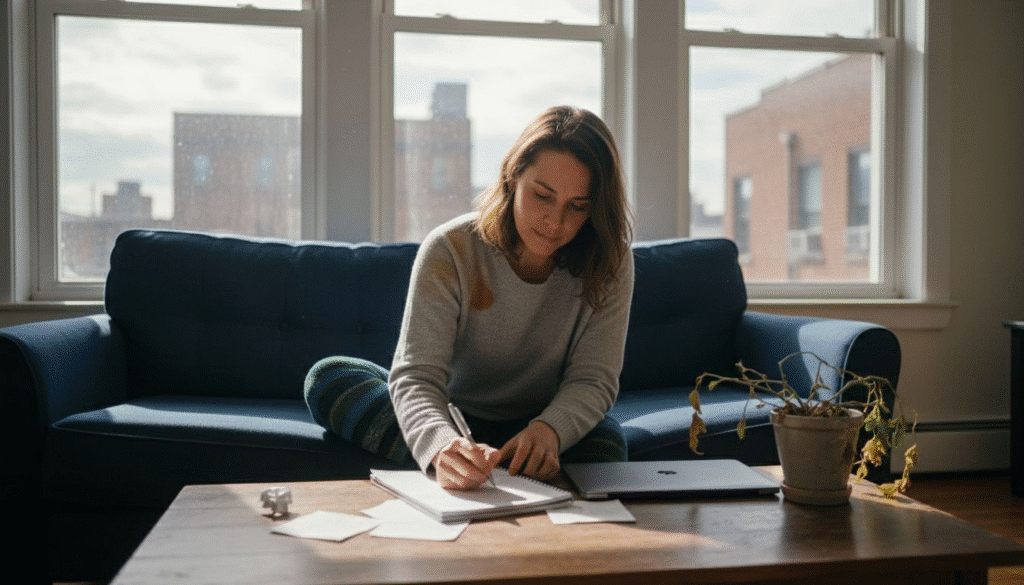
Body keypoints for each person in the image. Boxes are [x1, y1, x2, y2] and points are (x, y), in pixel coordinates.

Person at [304, 105, 634, 490]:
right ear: (513, 178)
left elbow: (594, 379)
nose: (556, 222)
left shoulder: (610, 260)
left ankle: (489, 472)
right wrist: (441, 445)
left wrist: (550, 432)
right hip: (452, 416)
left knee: (607, 445)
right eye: (543, 196)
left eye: (578, 207)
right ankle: (476, 469)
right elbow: (417, 376)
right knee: (328, 379)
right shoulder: (450, 248)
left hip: (540, 424)